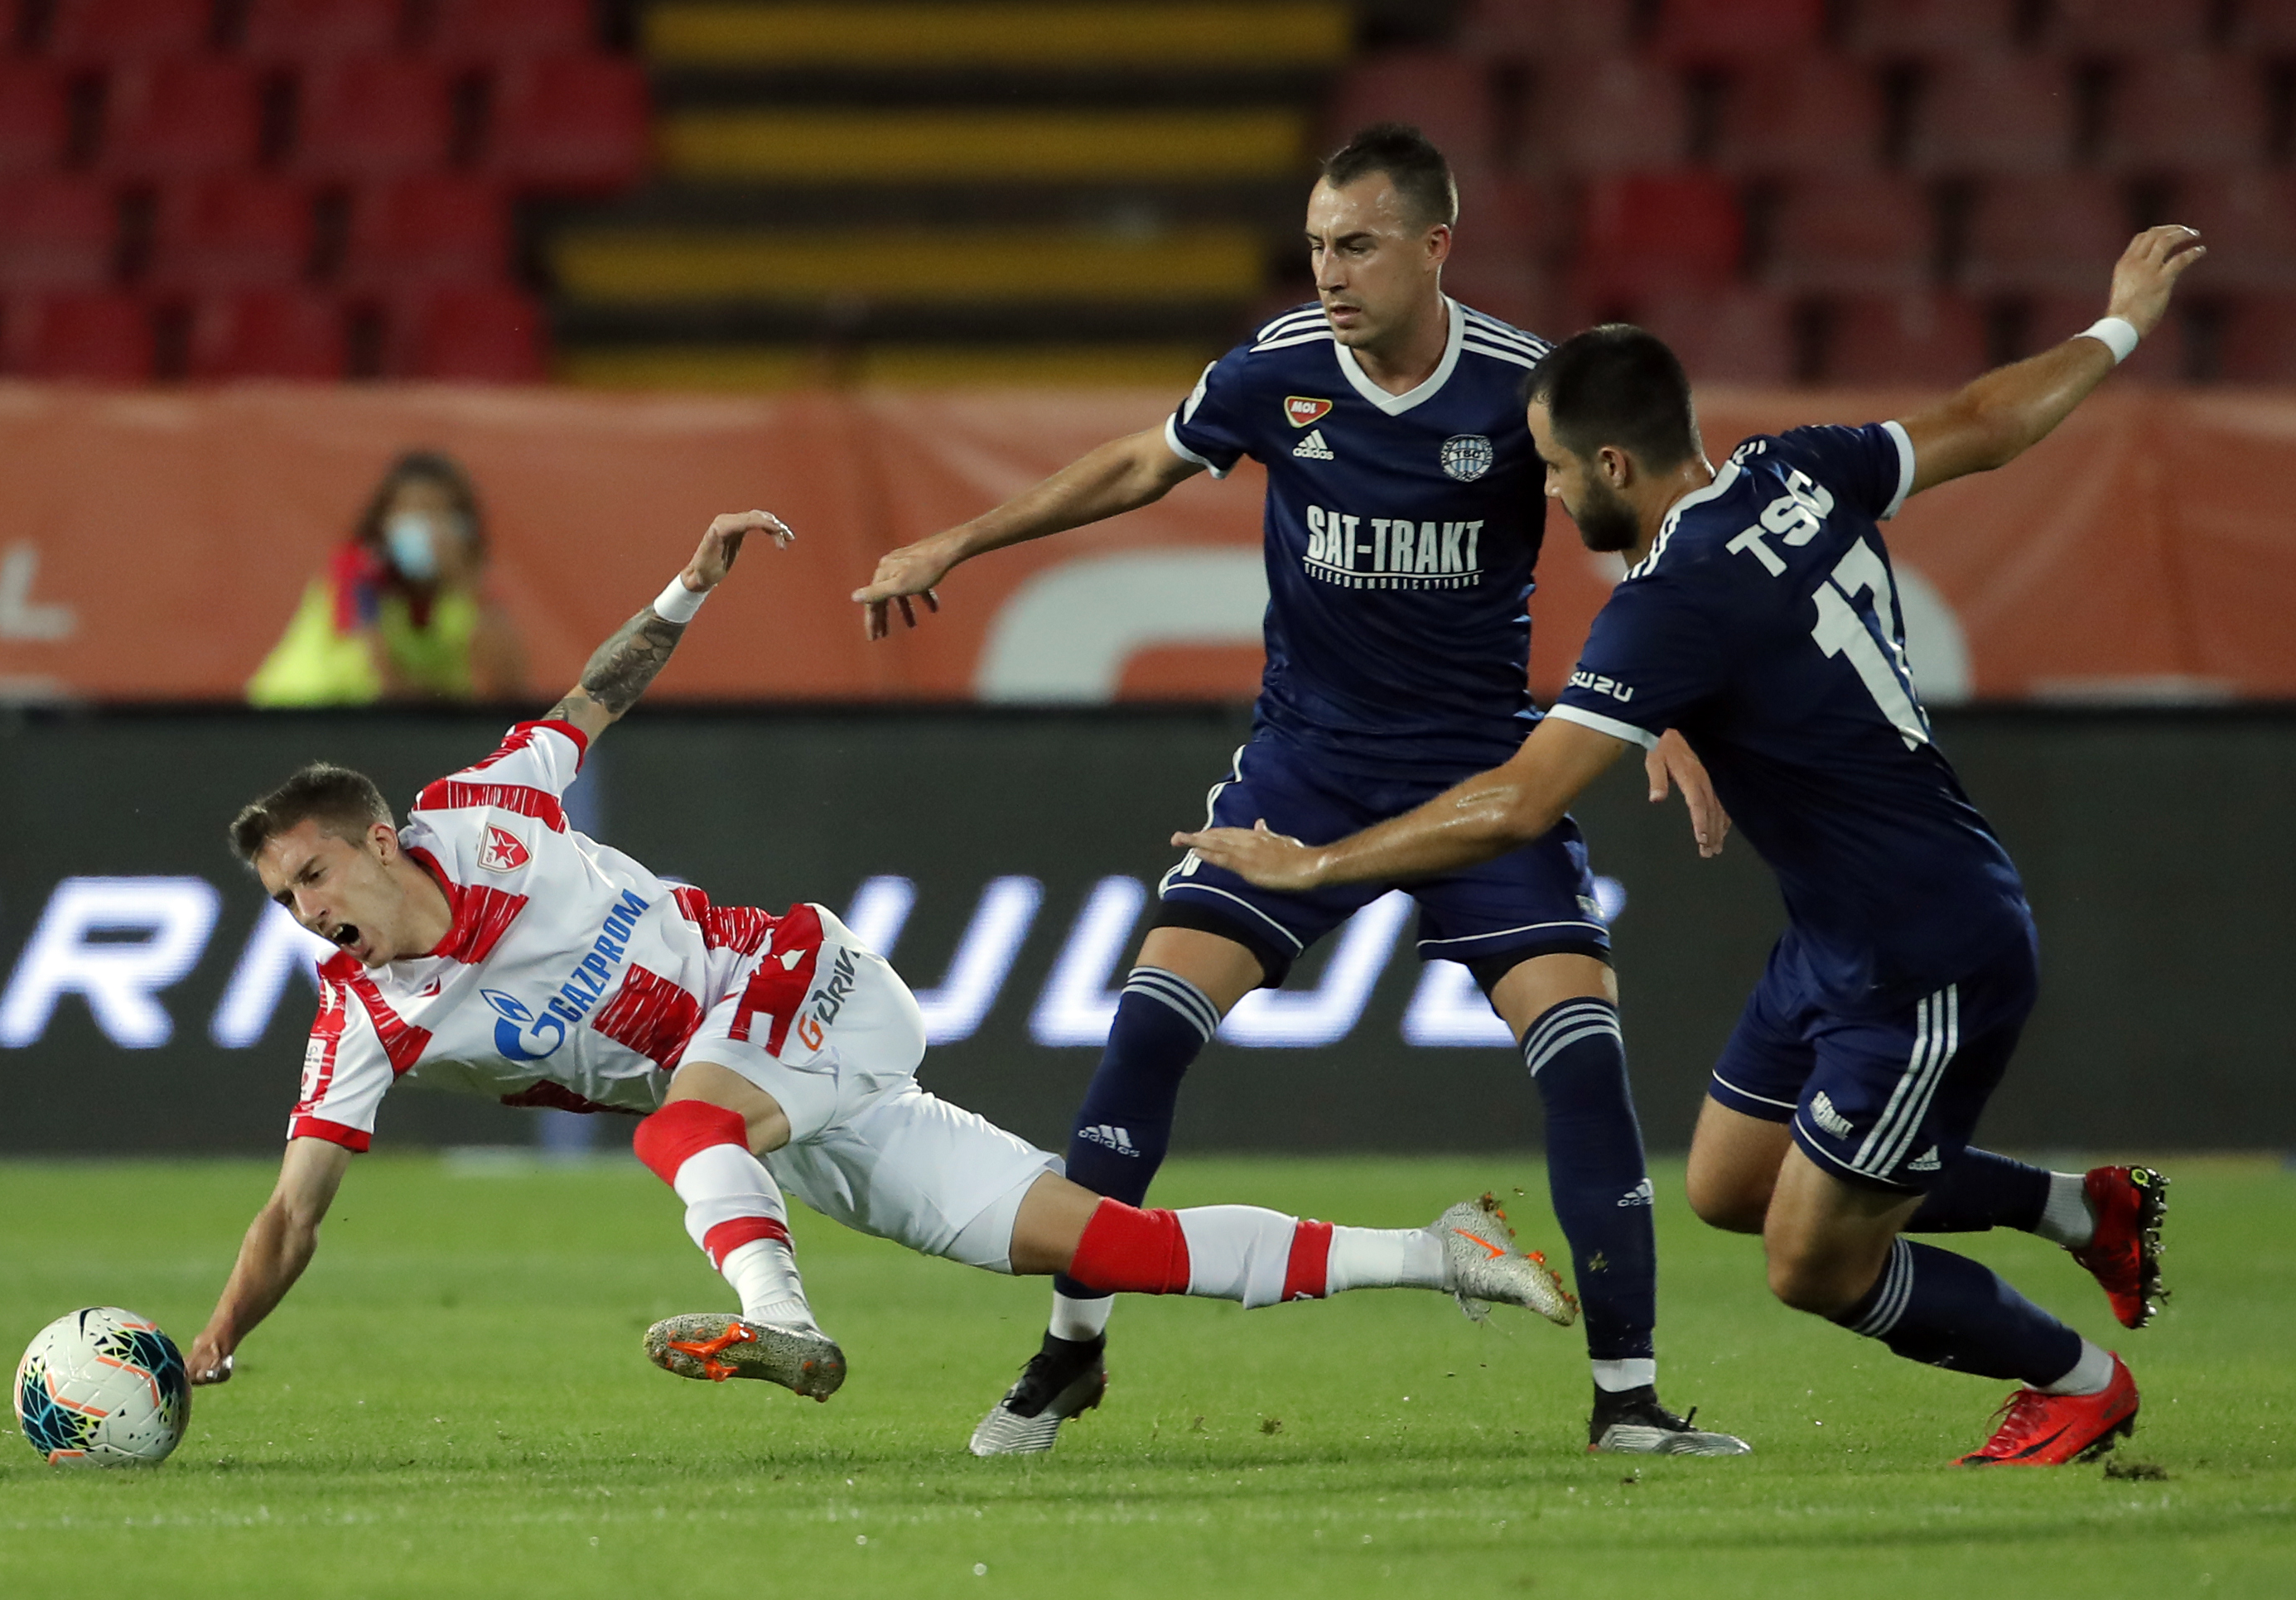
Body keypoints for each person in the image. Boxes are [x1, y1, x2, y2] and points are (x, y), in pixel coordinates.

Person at [1171, 226, 2203, 1467]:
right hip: (1836, 930)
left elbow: (1515, 801)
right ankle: (2075, 1211)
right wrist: (2117, 326)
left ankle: (2080, 1381)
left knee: (1813, 1264)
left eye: (1554, 471)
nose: (1546, 496)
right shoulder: (1794, 468)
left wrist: (1317, 866)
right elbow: (1983, 419)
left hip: (1925, 945)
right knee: (1727, 1183)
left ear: (1612, 458)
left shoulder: (1670, 603)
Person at [186, 510, 1577, 1410]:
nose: (305, 912)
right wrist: (219, 1335)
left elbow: (589, 696)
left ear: (376, 836)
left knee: (674, 1123)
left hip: (796, 982)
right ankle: (1444, 1251)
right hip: (776, 1112)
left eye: (311, 875)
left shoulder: (488, 809)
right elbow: (294, 1210)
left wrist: (683, 580)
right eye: (280, 897)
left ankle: (783, 1326)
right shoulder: (366, 1018)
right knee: (1104, 1244)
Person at [854, 123, 1744, 1458]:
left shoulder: (1520, 389)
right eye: (1318, 244)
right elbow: (1140, 461)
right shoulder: (1276, 373)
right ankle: (1068, 1354)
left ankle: (1627, 1403)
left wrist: (1666, 707)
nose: (1328, 271)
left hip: (1478, 782)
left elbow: (1638, 527)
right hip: (1304, 769)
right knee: (1148, 1024)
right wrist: (962, 537)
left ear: (1434, 246)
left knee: (1581, 1056)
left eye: (1358, 244)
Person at [248, 449, 527, 706]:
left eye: (445, 512)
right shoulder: (356, 575)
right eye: (419, 509)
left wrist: (468, 584)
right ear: (385, 521)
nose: (433, 527)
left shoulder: (468, 597)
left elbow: (510, 688)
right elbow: (385, 684)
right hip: (293, 724)